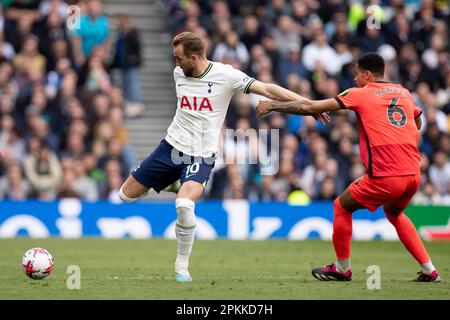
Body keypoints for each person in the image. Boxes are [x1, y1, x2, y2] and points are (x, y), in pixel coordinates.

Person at [118, 31, 328, 283]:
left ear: (194, 58)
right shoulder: (179, 74)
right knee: (125, 196)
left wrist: (310, 104)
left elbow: (267, 88)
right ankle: (174, 183)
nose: (176, 64)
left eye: (179, 58)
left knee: (184, 205)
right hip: (170, 148)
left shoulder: (226, 75)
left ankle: (181, 266)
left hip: (201, 154)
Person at [256, 52, 440, 282]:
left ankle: (342, 270)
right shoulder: (403, 92)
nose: (354, 79)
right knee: (394, 213)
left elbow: (311, 106)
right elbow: (418, 121)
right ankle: (429, 269)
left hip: (386, 176)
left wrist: (273, 105)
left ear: (367, 75)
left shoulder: (360, 94)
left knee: (341, 206)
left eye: (356, 74)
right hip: (414, 174)